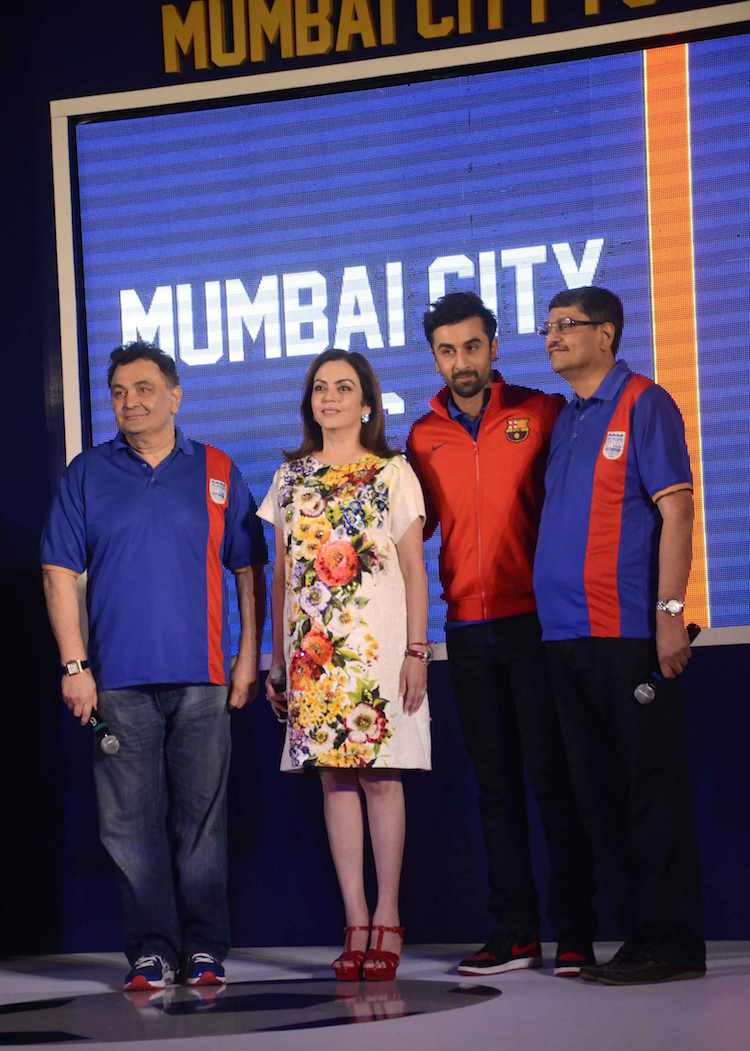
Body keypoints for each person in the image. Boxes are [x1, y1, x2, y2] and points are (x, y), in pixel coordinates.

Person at [41, 341, 266, 991]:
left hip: (204, 679)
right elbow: (58, 569)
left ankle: (204, 950)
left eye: (142, 389)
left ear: (175, 395)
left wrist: (249, 656)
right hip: (117, 683)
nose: (129, 402)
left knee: (201, 822)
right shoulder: (87, 473)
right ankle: (150, 950)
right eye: (117, 392)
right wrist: (74, 665)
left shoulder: (218, 469)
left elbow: (249, 569)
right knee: (128, 826)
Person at [408, 291, 596, 977]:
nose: (462, 361)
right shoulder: (421, 437)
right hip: (468, 628)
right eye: (447, 350)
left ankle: (575, 933)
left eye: (473, 347)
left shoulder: (541, 412)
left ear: (494, 347)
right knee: (495, 789)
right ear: (435, 356)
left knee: (553, 781)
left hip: (537, 626)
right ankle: (515, 933)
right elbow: (409, 534)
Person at [534, 285, 705, 985]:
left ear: (606, 334)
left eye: (566, 326)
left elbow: (678, 509)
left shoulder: (644, 403)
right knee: (600, 795)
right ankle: (639, 939)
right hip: (566, 641)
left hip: (627, 635)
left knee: (646, 791)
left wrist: (669, 612)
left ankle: (671, 943)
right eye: (548, 328)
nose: (552, 338)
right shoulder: (568, 419)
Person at [258, 348, 430, 982]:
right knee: (334, 780)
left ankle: (389, 916)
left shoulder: (392, 473)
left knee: (382, 777)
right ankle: (354, 919)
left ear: (367, 404)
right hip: (314, 657)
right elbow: (281, 580)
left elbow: (415, 572)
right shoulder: (290, 479)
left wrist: (417, 651)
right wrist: (278, 661)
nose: (329, 397)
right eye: (320, 388)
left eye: (344, 387)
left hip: (379, 654)